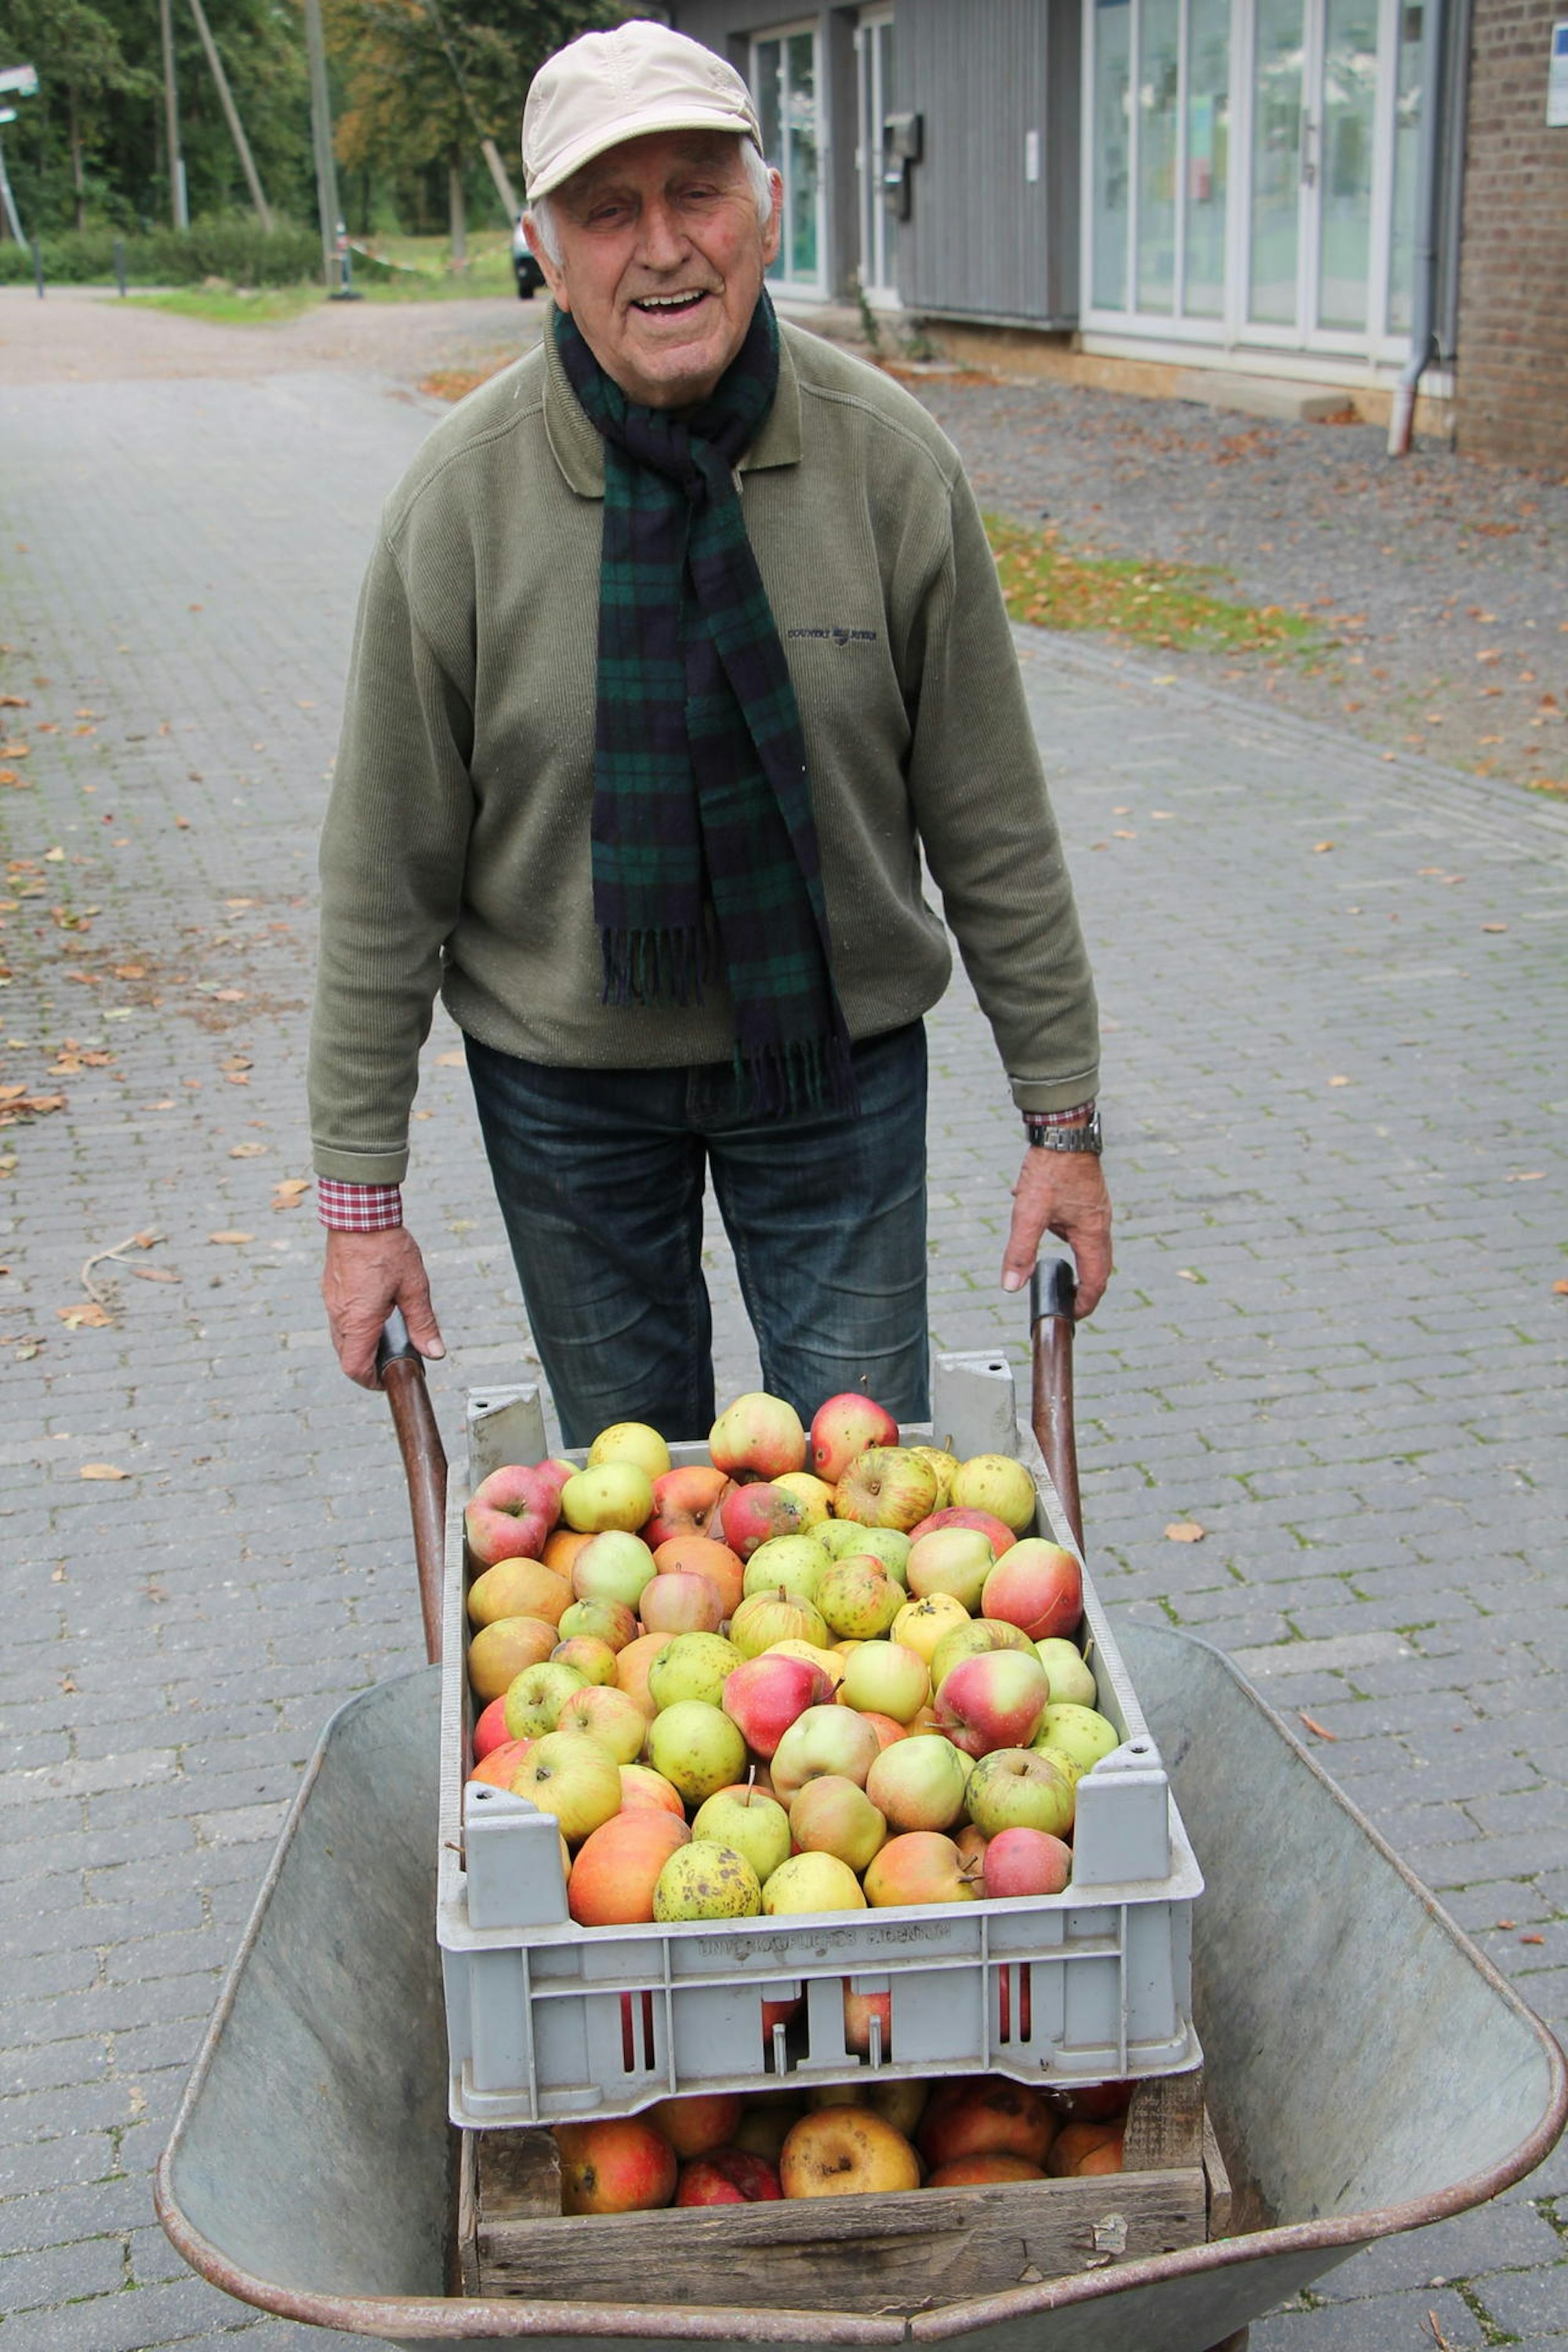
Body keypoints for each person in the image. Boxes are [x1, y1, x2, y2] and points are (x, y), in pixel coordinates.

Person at [309, 20, 1111, 1446]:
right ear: (543, 250)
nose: (662, 246)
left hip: (836, 1075)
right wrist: (361, 1209)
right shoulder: (461, 506)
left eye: (699, 191)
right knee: (633, 1529)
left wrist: (1064, 1128)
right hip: (568, 1101)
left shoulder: (889, 466)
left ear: (771, 210)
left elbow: (995, 824)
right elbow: (386, 874)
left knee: (865, 1493)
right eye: (608, 210)